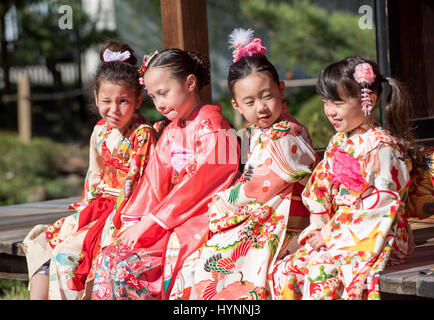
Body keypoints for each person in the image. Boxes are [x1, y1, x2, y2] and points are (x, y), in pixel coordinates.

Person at [169, 28, 317, 300]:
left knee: (217, 262)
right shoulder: (253, 133)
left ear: (281, 89)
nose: (261, 107)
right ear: (237, 106)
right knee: (197, 260)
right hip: (263, 213)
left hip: (283, 219)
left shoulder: (288, 134)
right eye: (250, 101)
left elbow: (257, 186)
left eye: (267, 96)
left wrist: (220, 205)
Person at [90, 48, 240, 300]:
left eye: (164, 93)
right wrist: (136, 222)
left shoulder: (216, 129)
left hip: (201, 217)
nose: (158, 103)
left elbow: (197, 187)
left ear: (190, 83)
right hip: (169, 216)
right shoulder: (172, 130)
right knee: (110, 257)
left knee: (126, 267)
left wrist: (151, 224)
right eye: (152, 96)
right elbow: (153, 182)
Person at [271, 56, 422, 300]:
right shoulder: (338, 142)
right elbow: (320, 189)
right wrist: (319, 227)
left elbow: (379, 206)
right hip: (341, 229)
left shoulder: (382, 146)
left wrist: (329, 235)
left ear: (368, 101)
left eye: (338, 102)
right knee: (286, 268)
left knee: (322, 274)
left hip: (376, 234)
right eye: (325, 102)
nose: (330, 111)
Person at [22, 40, 158, 300]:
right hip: (96, 208)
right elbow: (93, 177)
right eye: (106, 101)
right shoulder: (100, 131)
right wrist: (85, 211)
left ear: (138, 99)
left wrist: (110, 221)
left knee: (66, 254)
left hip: (122, 213)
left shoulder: (142, 135)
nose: (113, 110)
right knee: (39, 240)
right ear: (95, 98)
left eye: (123, 101)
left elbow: (136, 186)